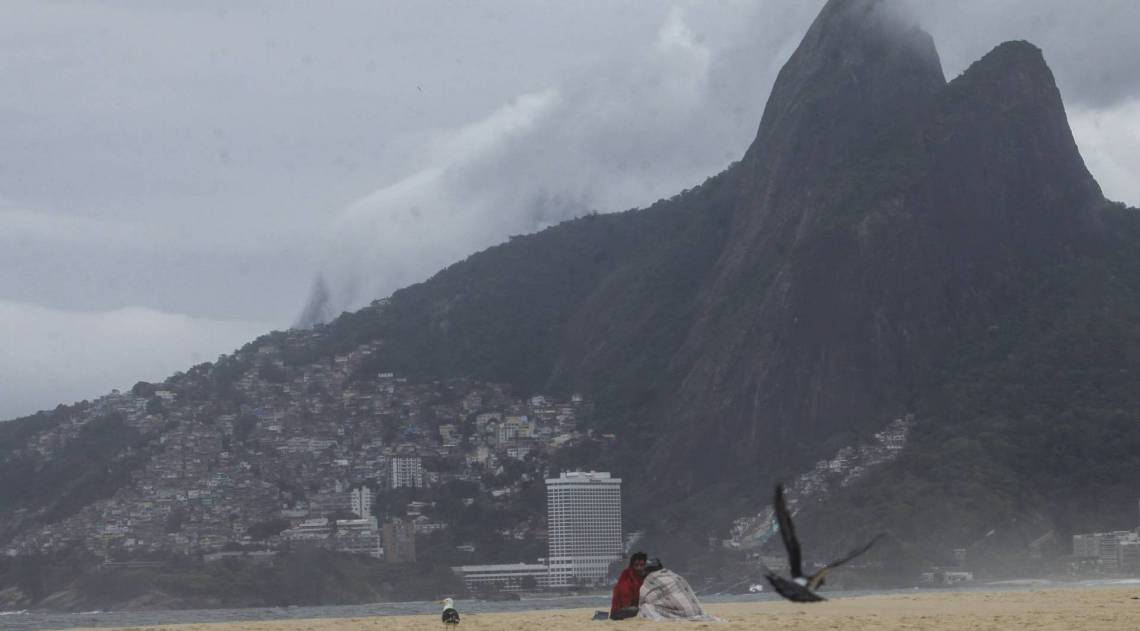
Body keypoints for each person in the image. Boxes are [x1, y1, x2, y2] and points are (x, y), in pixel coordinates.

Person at [637, 557, 720, 622]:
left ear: (646, 570)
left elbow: (641, 602)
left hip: (681, 615)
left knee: (644, 607)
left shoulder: (649, 581)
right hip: (697, 612)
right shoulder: (676, 576)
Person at [609, 551, 648, 620]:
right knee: (636, 610)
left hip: (634, 608)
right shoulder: (627, 576)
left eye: (642, 565)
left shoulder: (643, 577)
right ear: (632, 565)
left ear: (645, 565)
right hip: (618, 611)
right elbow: (625, 595)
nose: (639, 568)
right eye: (636, 565)